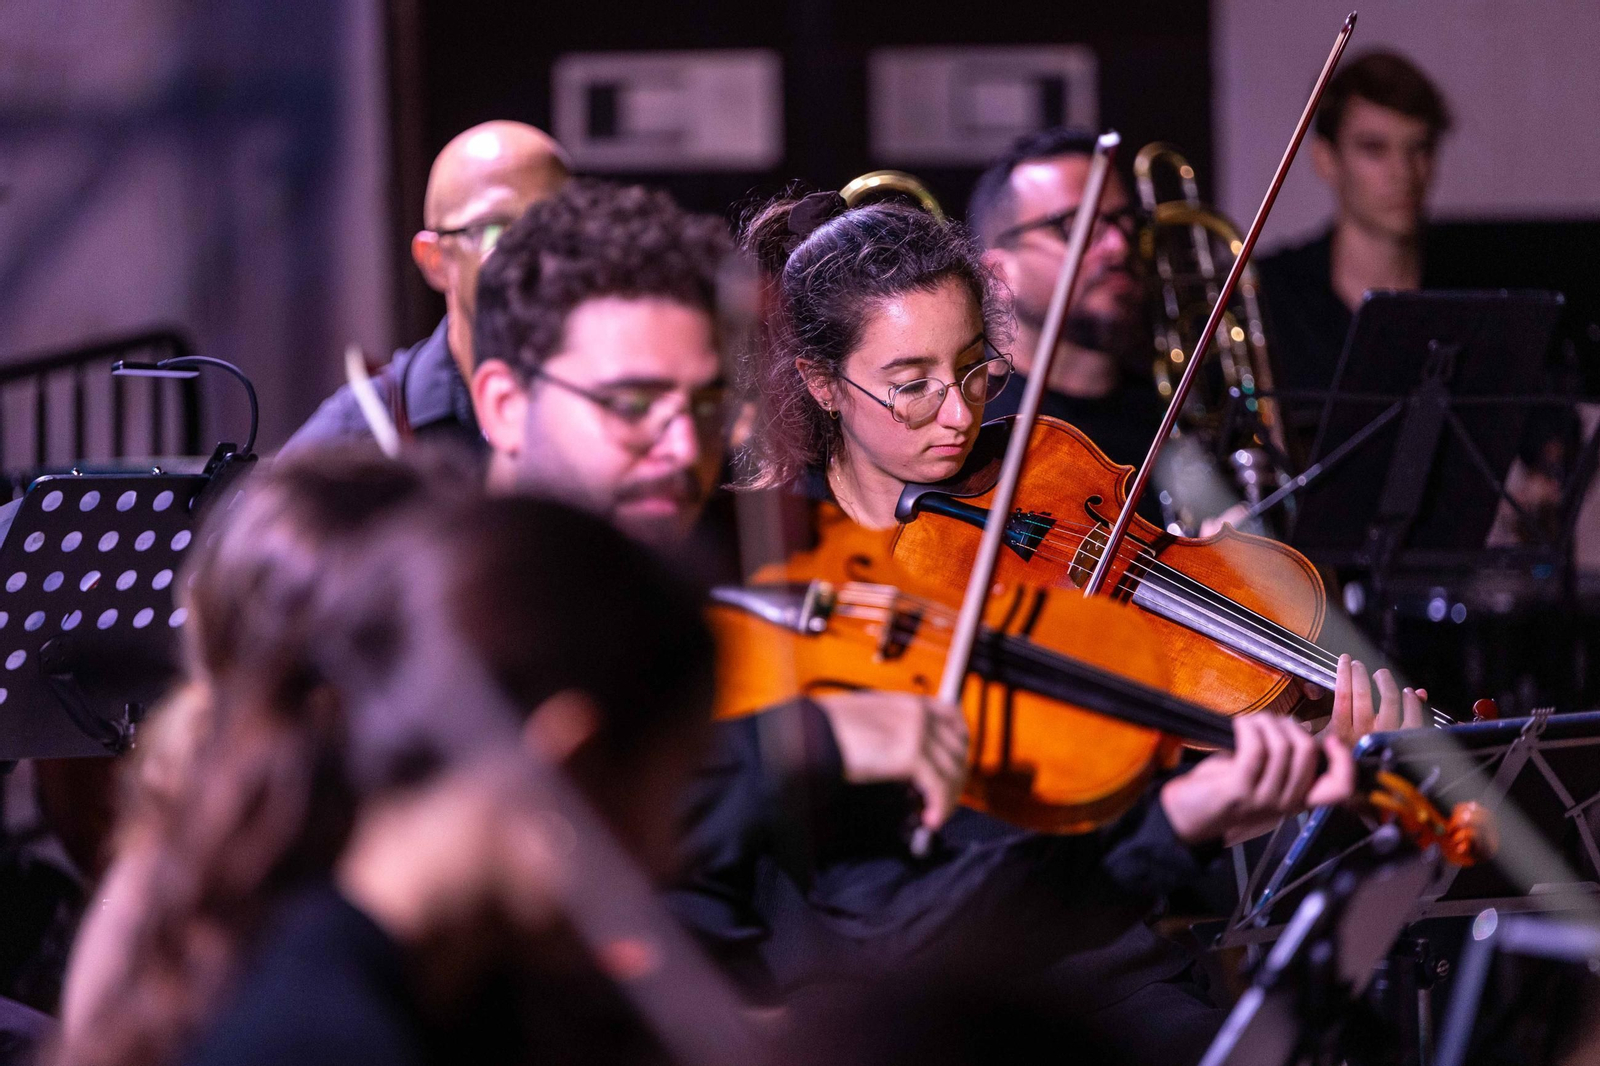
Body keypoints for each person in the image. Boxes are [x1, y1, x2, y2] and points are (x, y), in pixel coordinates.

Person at [54, 451, 721, 1066]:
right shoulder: (321, 1035)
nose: (666, 856)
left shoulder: (454, 975)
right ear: (570, 761)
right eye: (666, 794)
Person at [283, 121, 570, 454]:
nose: (537, 252)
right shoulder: (353, 444)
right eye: (495, 232)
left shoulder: (612, 413)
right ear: (435, 261)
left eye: (556, 225)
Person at [965, 127, 1168, 471]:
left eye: (1124, 221)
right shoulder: (970, 432)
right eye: (1075, 226)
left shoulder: (1167, 419)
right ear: (998, 273)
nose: (1119, 245)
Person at [1255, 51, 1451, 397]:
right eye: (1374, 149)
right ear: (1326, 159)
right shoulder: (1267, 297)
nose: (1403, 173)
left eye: (1418, 148)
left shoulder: (1469, 295)